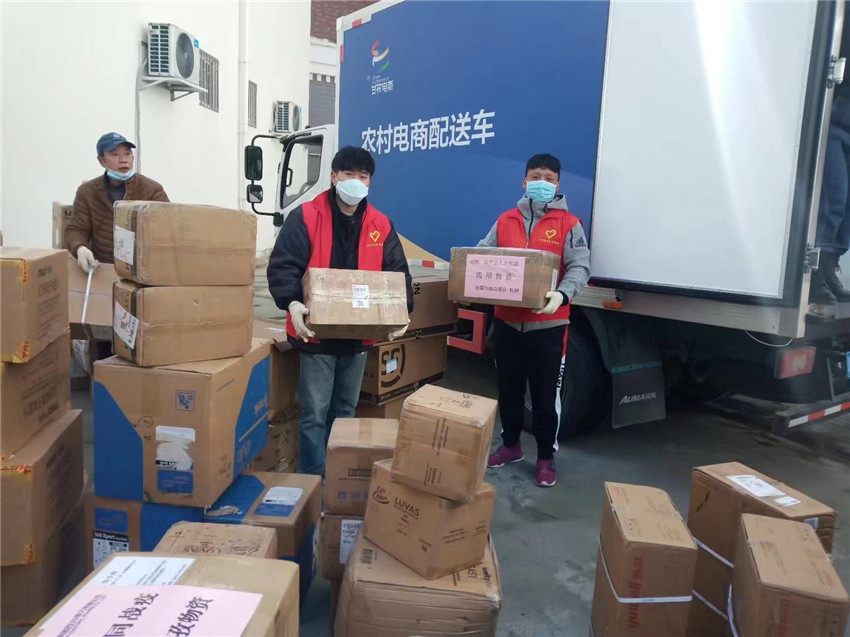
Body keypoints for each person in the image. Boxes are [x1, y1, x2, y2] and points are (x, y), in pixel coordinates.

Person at [267, 146, 413, 476]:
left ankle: (336, 479)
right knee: (314, 414)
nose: (355, 181)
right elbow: (283, 265)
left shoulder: (380, 224)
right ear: (334, 177)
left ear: (370, 182)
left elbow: (397, 271)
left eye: (363, 176)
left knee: (345, 410)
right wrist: (292, 303)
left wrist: (402, 311)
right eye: (348, 174)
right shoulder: (306, 216)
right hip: (316, 334)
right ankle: (313, 481)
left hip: (358, 336)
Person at [481, 154, 590, 487]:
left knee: (544, 396)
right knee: (509, 390)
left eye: (548, 178)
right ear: (524, 181)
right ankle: (511, 445)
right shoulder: (505, 220)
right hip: (507, 322)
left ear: (557, 184)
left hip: (549, 325)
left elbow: (580, 265)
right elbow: (483, 254)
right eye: (535, 176)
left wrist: (562, 295)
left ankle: (545, 456)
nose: (541, 182)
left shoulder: (569, 224)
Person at [65, 133, 169, 272]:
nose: (123, 160)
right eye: (114, 154)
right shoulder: (88, 192)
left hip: (141, 270)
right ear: (101, 161)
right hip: (102, 269)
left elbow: (168, 229)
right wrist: (80, 248)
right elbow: (76, 229)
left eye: (127, 154)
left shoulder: (152, 190)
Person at [810, 11, 850, 305]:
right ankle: (814, 277)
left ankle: (828, 266)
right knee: (834, 195)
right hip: (836, 117)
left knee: (847, 206)